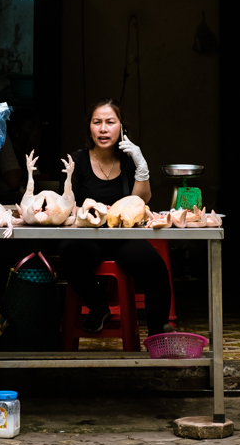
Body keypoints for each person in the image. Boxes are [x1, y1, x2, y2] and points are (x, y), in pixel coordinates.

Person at [59, 98, 171, 335]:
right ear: (89, 127)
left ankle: (158, 333)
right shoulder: (77, 161)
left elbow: (141, 201)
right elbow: (67, 206)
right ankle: (98, 307)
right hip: (88, 237)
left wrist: (141, 165)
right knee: (68, 256)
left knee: (155, 266)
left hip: (122, 237)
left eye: (110, 122)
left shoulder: (128, 161)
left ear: (121, 127)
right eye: (96, 122)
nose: (103, 128)